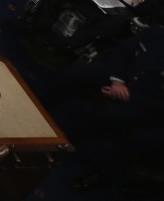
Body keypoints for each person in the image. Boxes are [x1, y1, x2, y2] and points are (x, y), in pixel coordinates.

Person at [49, 28, 164, 192]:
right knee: (73, 75)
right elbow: (123, 50)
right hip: (120, 77)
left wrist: (127, 96)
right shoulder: (156, 33)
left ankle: (84, 158)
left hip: (146, 104)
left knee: (112, 118)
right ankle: (40, 108)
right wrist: (118, 81)